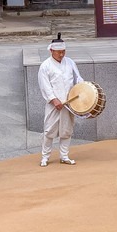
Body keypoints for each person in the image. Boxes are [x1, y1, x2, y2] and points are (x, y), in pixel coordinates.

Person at [38, 33, 83, 167]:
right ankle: (45, 157)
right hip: (54, 104)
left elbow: (78, 78)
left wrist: (81, 90)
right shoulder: (45, 66)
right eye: (58, 52)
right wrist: (53, 99)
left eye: (63, 52)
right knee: (49, 131)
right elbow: (44, 85)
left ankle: (64, 156)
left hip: (69, 102)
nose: (61, 55)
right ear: (51, 50)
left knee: (66, 130)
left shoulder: (70, 62)